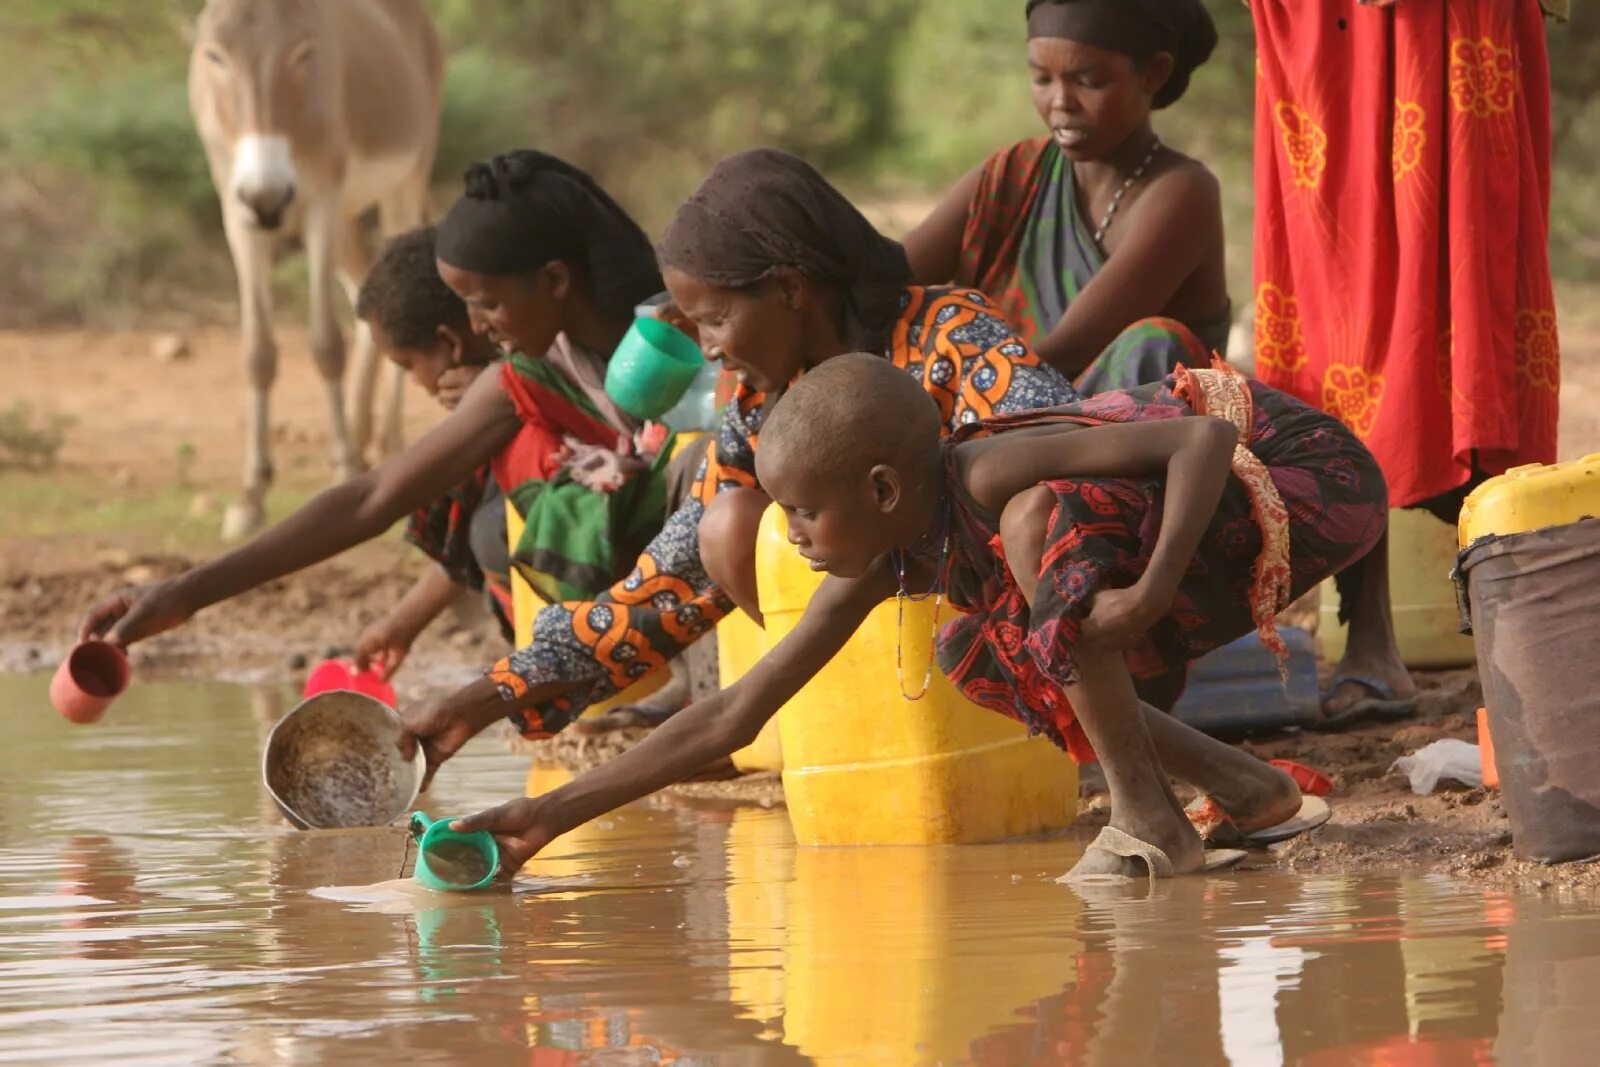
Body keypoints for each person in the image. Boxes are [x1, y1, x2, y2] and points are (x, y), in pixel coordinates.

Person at [399, 148, 1220, 780]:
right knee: (723, 528)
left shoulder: (952, 339)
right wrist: (496, 687)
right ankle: (849, 733)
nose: (709, 347)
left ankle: (1110, 745)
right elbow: (665, 586)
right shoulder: (758, 409)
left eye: (716, 319)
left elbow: (1074, 480)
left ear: (789, 289)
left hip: (1047, 649)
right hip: (911, 667)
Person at [449, 352, 1388, 880]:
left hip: (1312, 480)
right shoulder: (892, 547)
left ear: (886, 486)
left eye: (807, 512)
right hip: (1215, 515)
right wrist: (544, 818)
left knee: (1035, 527)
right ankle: (1252, 792)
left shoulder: (982, 474)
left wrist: (1144, 598)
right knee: (971, 650)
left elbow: (1202, 435)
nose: (795, 535)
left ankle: (1152, 823)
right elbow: (738, 712)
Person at [78, 151, 678, 694]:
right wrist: (187, 593)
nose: (475, 328)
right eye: (465, 304)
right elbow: (372, 497)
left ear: (554, 280)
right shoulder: (526, 377)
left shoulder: (682, 335)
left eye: (488, 304)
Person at [1247, 0, 1564, 722]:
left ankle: (1530, 628)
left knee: (1464, 310)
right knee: (1338, 320)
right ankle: (1374, 640)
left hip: (1449, 23)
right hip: (1319, 27)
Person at [902, 0, 1231, 392]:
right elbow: (888, 275)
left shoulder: (1182, 192)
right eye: (1042, 79)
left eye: (1088, 82)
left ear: (1154, 74)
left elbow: (1067, 350)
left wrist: (962, 388)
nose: (1060, 102)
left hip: (1113, 435)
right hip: (1001, 410)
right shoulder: (1017, 172)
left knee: (1155, 341)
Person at [350, 225, 511, 679]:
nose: (416, 383)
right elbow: (458, 547)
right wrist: (403, 622)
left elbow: (372, 500)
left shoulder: (532, 399)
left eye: (407, 366)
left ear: (449, 344)